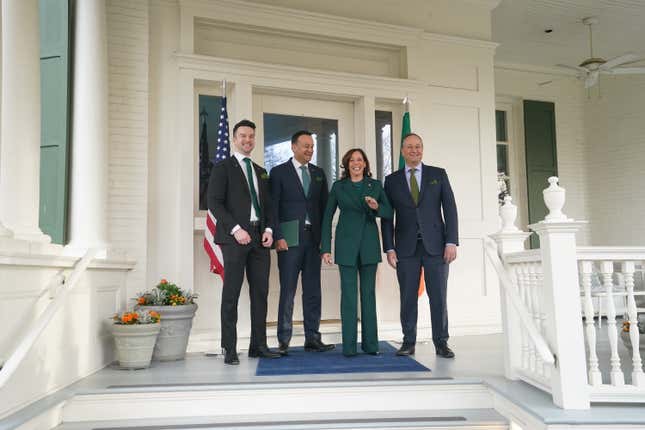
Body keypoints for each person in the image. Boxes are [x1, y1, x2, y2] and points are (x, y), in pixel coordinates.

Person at [207, 119, 281, 365]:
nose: (247, 140)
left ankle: (258, 345)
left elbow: (269, 206)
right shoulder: (223, 167)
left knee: (261, 293)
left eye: (251, 136)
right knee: (232, 294)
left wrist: (269, 229)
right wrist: (236, 229)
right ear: (234, 138)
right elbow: (214, 202)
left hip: (260, 239)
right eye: (243, 136)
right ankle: (229, 348)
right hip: (234, 239)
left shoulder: (260, 170)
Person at [381, 132, 459, 359]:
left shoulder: (438, 174)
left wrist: (451, 241)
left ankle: (441, 343)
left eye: (418, 147)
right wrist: (389, 247)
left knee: (438, 297)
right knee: (407, 297)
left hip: (437, 247)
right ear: (402, 151)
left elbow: (450, 209)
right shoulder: (392, 180)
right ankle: (408, 341)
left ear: (422, 150)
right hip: (405, 249)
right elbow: (387, 217)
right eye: (409, 147)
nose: (414, 150)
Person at [321, 148, 393, 357]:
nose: (356, 163)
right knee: (349, 297)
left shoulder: (375, 186)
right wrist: (325, 248)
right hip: (346, 246)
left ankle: (371, 345)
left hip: (369, 245)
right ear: (346, 164)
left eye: (360, 160)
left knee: (368, 295)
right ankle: (349, 347)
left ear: (365, 163)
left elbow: (389, 212)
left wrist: (377, 206)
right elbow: (327, 218)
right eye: (352, 160)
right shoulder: (338, 187)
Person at [270, 130, 334, 355]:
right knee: (288, 290)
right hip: (289, 239)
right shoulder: (278, 173)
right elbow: (272, 207)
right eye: (306, 146)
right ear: (293, 147)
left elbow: (326, 210)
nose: (310, 150)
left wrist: (325, 242)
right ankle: (284, 339)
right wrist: (278, 236)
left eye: (312, 146)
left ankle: (313, 338)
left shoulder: (318, 173)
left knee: (313, 291)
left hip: (313, 239)